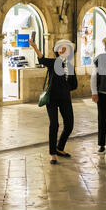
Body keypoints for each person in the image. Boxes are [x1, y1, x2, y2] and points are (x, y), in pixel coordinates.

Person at [30, 37, 77, 165]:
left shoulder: (71, 66)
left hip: (65, 99)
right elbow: (41, 59)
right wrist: (34, 46)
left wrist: (66, 87)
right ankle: (53, 154)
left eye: (66, 49)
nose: (64, 50)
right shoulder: (54, 62)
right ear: (58, 51)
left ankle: (60, 148)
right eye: (62, 49)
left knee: (69, 124)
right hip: (52, 98)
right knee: (54, 124)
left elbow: (74, 84)